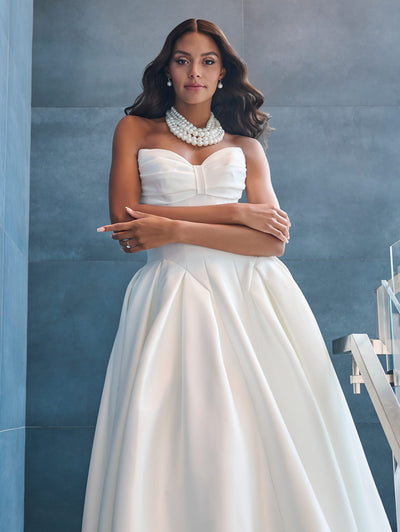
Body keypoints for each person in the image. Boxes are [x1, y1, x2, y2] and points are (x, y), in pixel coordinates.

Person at [82, 18, 391, 532]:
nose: (194, 72)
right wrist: (234, 212)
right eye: (182, 60)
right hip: (172, 295)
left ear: (223, 72)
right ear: (167, 69)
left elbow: (272, 242)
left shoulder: (246, 146)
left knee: (265, 427)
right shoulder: (135, 129)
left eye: (207, 61)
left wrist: (180, 224)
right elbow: (128, 220)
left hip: (253, 295)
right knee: (177, 432)